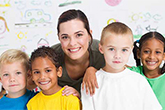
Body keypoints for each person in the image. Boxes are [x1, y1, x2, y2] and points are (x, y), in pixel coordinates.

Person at [81, 22, 162, 110]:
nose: (117, 55)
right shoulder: (91, 82)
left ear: (131, 50)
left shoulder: (139, 81)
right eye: (111, 49)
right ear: (101, 48)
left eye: (124, 50)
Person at [51, 9, 105, 96]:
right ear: (59, 38)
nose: (72, 43)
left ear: (89, 35)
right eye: (65, 37)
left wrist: (94, 71)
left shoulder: (103, 52)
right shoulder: (50, 57)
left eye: (79, 35)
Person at [129, 31, 165, 110]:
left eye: (157, 52)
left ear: (164, 56)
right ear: (138, 53)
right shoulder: (131, 73)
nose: (152, 57)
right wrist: (94, 70)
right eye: (146, 51)